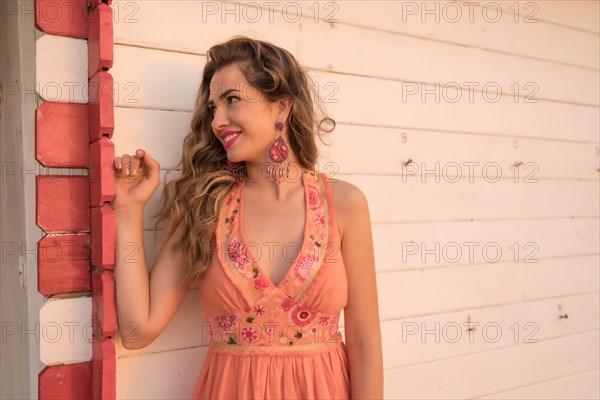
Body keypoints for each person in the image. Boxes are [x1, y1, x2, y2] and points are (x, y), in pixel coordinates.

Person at [112, 35, 383, 399]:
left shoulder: (346, 203)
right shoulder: (205, 205)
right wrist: (129, 211)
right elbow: (136, 330)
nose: (217, 120)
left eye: (232, 100)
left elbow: (365, 341)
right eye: (212, 108)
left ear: (281, 107)